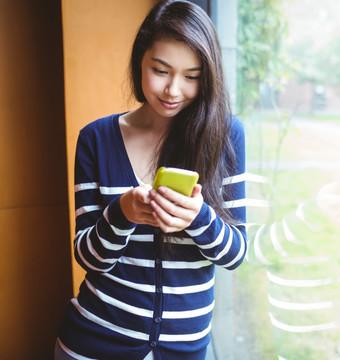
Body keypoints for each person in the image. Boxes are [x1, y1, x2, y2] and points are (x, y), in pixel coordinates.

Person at [55, 1, 246, 359]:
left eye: (192, 76)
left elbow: (236, 254)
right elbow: (88, 258)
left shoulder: (227, 135)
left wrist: (198, 218)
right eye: (160, 70)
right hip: (93, 342)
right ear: (139, 61)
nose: (174, 90)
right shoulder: (96, 139)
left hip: (183, 349)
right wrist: (122, 212)